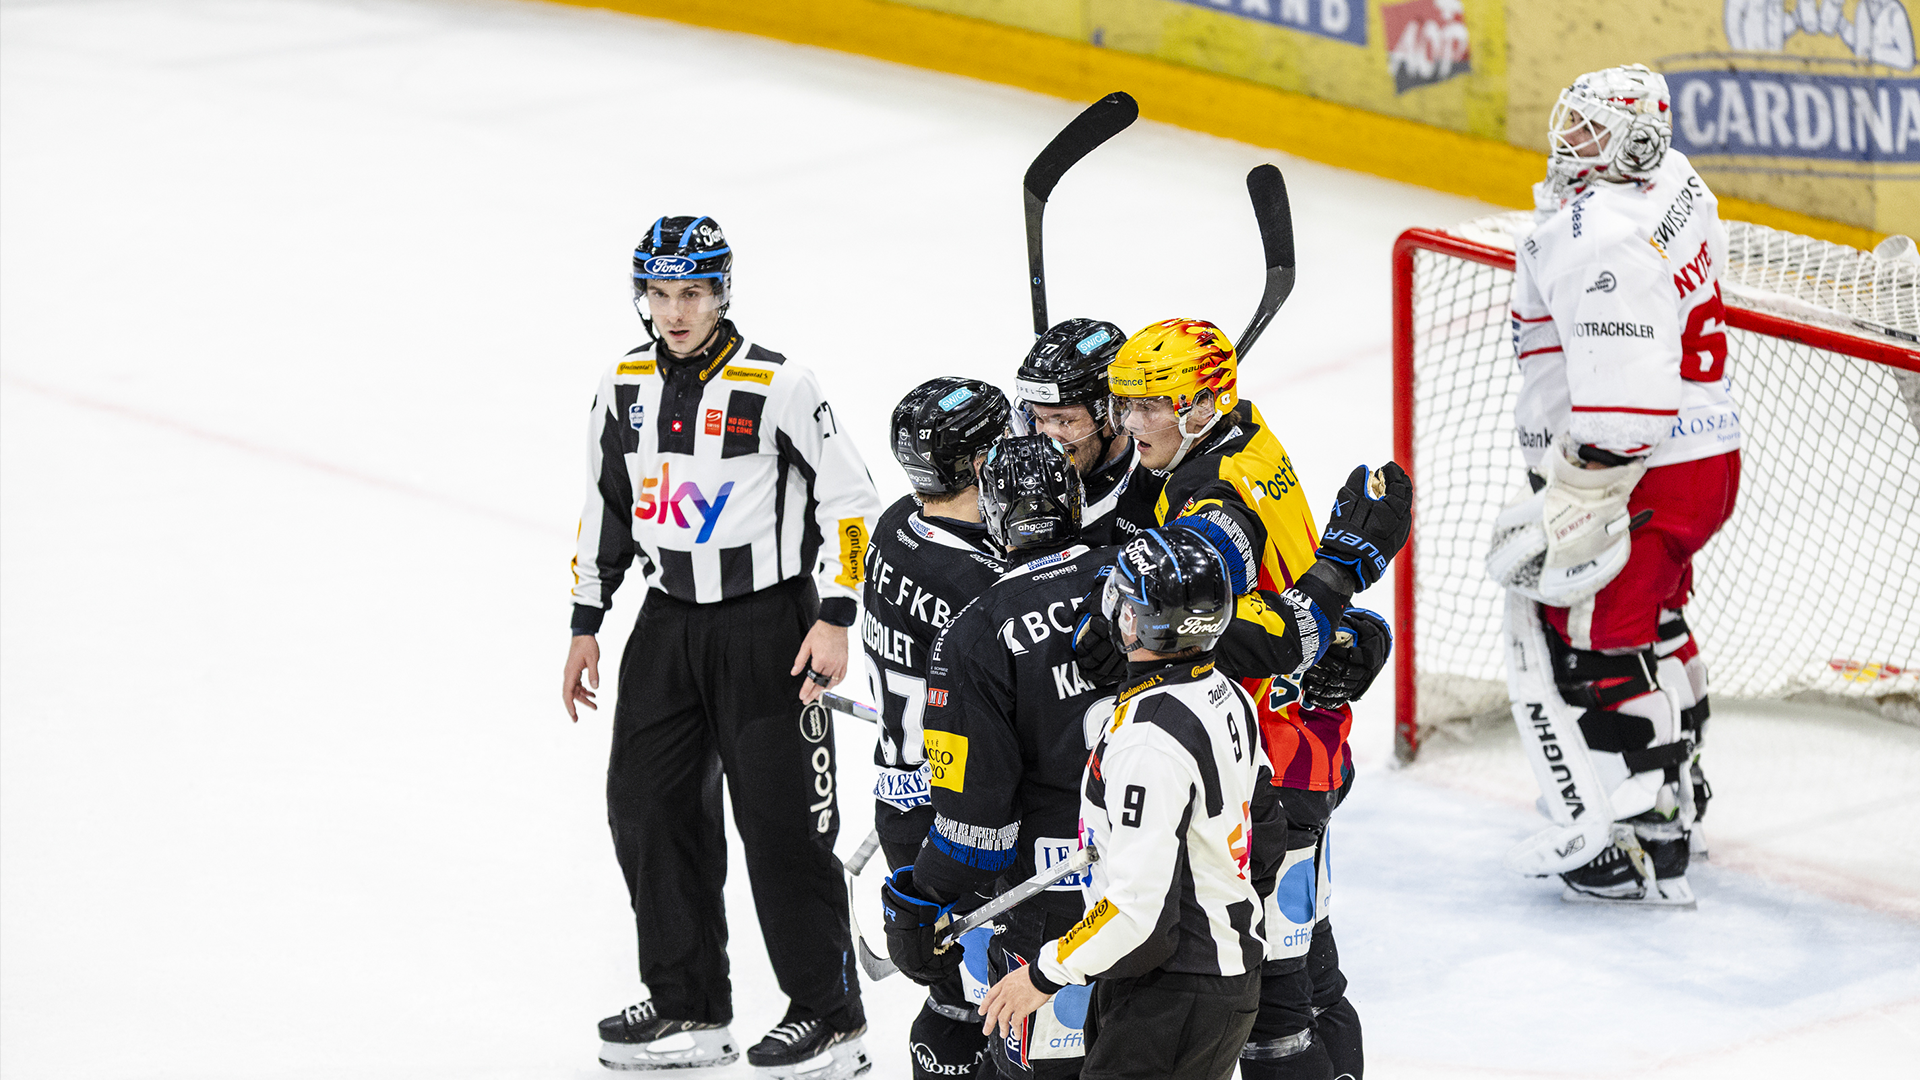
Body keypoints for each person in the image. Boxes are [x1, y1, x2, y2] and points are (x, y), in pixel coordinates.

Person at [562, 215, 884, 1077]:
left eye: (693, 293)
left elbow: (851, 498)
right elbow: (608, 503)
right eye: (660, 293)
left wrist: (838, 615)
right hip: (666, 626)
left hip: (769, 627)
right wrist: (586, 620)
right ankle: (689, 1008)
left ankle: (830, 1015)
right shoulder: (622, 382)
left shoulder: (779, 383)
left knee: (783, 825)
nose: (675, 311)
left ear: (722, 293)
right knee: (647, 807)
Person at [1082, 319, 1411, 1077]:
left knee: (1277, 1011)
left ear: (1202, 404)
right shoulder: (1249, 437)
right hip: (1306, 747)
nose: (1131, 424)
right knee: (1311, 976)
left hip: (1269, 766)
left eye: (1149, 406)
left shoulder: (1214, 499)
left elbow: (1244, 635)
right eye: (1124, 404)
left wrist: (1338, 580)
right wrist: (1344, 612)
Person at [1488, 64, 1740, 907]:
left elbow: (1627, 398)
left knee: (1595, 651)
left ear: (1635, 138)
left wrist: (1582, 484)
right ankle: (1678, 797)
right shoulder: (1672, 182)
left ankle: (1635, 838)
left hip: (1637, 472)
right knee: (1656, 626)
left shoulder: (1596, 234)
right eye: (1571, 121)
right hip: (1703, 458)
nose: (1569, 141)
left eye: (1590, 129)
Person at [976, 527, 1268, 1080]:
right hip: (1205, 975)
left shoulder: (1150, 739)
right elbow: (1265, 828)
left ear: (1134, 622)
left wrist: (1043, 972)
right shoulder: (1226, 693)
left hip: (1174, 989)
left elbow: (1137, 911)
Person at [879, 434, 1110, 1080]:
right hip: (1166, 899)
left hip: (1056, 919)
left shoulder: (978, 632)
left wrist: (917, 899)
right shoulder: (1144, 577)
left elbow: (976, 834)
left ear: (994, 515)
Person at [862, 376, 1010, 1080]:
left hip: (901, 800)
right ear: (982, 463)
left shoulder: (895, 526)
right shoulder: (981, 583)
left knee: (955, 999)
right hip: (959, 825)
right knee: (997, 1009)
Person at [1012, 318, 1163, 545]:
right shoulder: (1009, 481)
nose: (1048, 437)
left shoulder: (1158, 493)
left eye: (1064, 421)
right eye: (1037, 418)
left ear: (1116, 412)